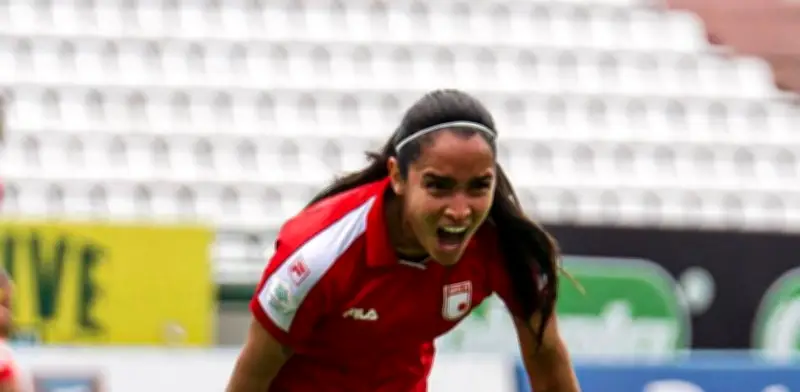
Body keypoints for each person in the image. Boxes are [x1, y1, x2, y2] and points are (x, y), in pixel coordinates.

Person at [226, 89, 581, 392]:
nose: (460, 211)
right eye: (438, 186)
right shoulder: (318, 254)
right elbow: (253, 375)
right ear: (397, 176)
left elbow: (549, 368)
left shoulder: (506, 248)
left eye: (478, 187)